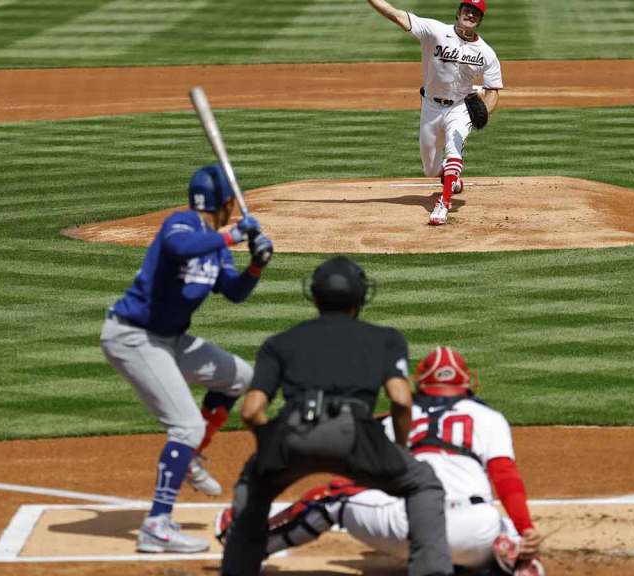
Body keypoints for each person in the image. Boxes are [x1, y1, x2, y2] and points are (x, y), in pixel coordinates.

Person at [218, 346, 545, 576]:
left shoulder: (394, 420)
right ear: (465, 383)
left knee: (334, 495)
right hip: (474, 531)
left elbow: (358, 475)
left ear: (421, 385)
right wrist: (526, 528)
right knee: (497, 522)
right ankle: (507, 556)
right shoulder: (489, 417)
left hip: (405, 527)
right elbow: (505, 475)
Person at [219, 256, 453, 576]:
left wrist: (272, 441)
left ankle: (236, 571)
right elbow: (400, 400)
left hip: (292, 431)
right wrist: (399, 449)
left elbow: (251, 411)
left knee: (253, 487)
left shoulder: (280, 342)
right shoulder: (385, 338)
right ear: (360, 299)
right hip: (354, 433)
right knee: (422, 484)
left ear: (314, 297)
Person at [100, 163, 274, 553]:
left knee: (240, 377)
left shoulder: (213, 243)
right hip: (133, 337)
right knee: (184, 425)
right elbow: (180, 249)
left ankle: (192, 456)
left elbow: (233, 291)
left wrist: (257, 265)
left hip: (170, 341)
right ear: (226, 204)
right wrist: (233, 235)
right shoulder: (181, 226)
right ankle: (156, 525)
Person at [366, 0, 503, 226]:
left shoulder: (486, 53)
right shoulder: (435, 31)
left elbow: (493, 91)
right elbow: (394, 14)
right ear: (459, 12)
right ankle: (450, 179)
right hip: (431, 106)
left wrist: (484, 112)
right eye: (467, 10)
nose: (470, 15)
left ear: (480, 20)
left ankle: (444, 204)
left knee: (453, 148)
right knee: (430, 168)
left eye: (476, 13)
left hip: (460, 107)